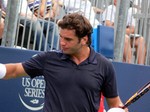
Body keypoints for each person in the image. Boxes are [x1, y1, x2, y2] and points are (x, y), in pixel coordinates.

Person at [0, 13, 128, 112]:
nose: (62, 42)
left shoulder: (104, 65)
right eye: (61, 37)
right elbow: (14, 71)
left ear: (84, 39)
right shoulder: (48, 59)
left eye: (68, 39)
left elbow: (115, 103)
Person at [102, 0, 146, 64]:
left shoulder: (127, 11)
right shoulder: (110, 8)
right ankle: (129, 65)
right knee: (125, 38)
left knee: (141, 40)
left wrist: (121, 31)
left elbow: (133, 29)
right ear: (115, 1)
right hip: (110, 37)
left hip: (125, 35)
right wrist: (125, 30)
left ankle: (142, 68)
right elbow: (109, 26)